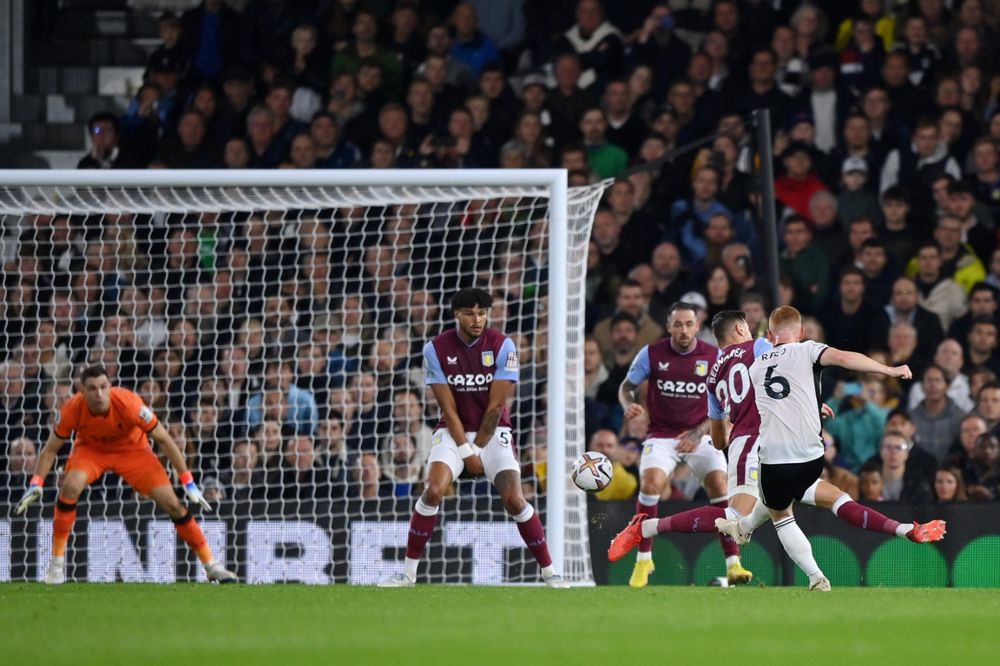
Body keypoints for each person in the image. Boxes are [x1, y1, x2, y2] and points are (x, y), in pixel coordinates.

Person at [715, 306, 946, 591]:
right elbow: (844, 358)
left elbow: (762, 403)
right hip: (811, 457)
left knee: (779, 512)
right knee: (836, 497)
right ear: (800, 333)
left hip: (773, 460)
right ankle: (904, 529)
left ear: (770, 335)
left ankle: (813, 576)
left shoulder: (756, 366)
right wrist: (889, 370)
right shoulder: (808, 349)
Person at [379, 289, 569, 588]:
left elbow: (496, 407)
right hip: (452, 431)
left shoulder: (503, 346)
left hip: (494, 433)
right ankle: (407, 574)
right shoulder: (436, 348)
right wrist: (466, 451)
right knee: (432, 491)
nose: (477, 319)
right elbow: (447, 408)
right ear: (457, 314)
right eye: (469, 313)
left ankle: (550, 572)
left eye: (482, 313)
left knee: (515, 499)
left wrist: (478, 448)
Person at [608, 309, 785, 585]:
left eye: (688, 324)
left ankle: (733, 564)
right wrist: (627, 404)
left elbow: (720, 410)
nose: (683, 330)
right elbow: (626, 387)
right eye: (677, 324)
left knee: (718, 484)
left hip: (700, 433)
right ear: (668, 327)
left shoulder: (716, 357)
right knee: (651, 482)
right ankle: (643, 560)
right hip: (662, 435)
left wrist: (697, 432)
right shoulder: (651, 354)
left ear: (697, 326)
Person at [14, 365, 236, 585]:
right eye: (92, 389)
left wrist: (187, 481)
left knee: (172, 504)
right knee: (70, 487)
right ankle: (56, 566)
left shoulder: (129, 403)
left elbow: (164, 439)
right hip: (91, 452)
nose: (99, 394)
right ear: (82, 391)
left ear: (110, 386)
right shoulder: (72, 408)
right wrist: (36, 483)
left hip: (133, 452)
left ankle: (211, 566)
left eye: (103, 387)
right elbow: (50, 449)